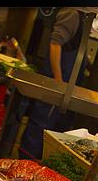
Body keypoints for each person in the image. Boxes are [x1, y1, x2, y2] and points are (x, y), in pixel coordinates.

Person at [19, 8, 86, 160]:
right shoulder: (72, 14)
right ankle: (23, 164)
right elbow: (55, 44)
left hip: (65, 90)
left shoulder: (83, 17)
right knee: (40, 130)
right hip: (56, 88)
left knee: (51, 134)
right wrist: (58, 80)